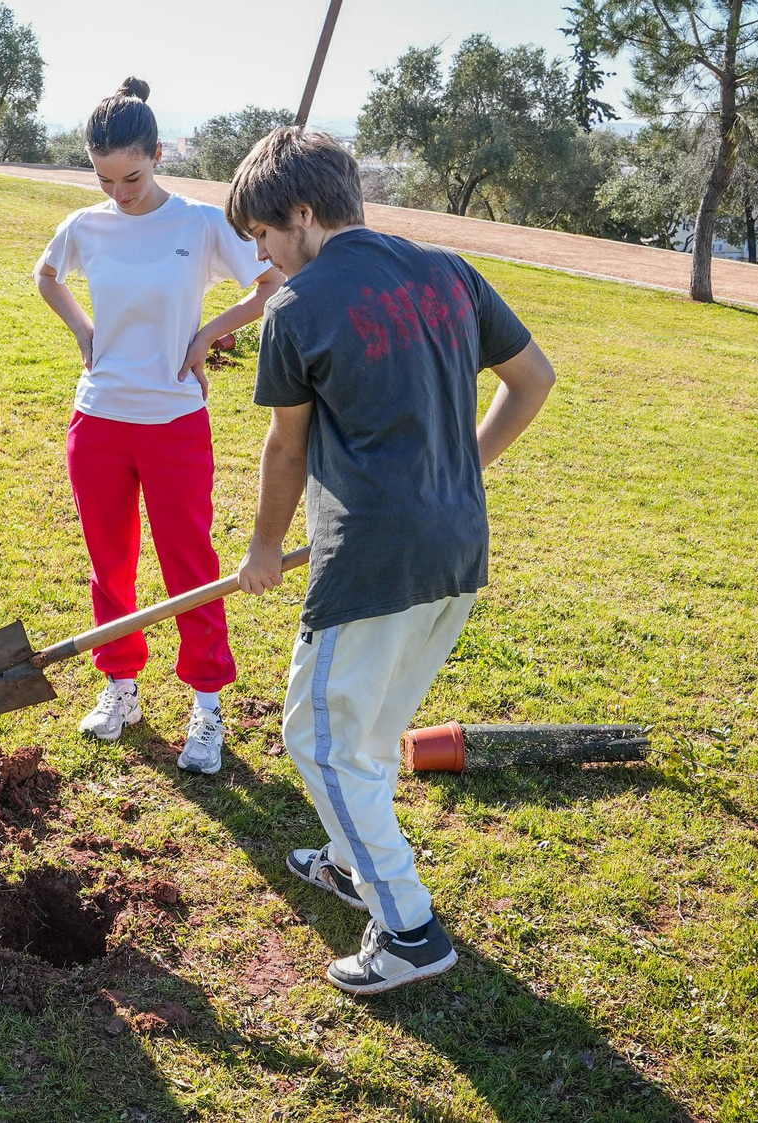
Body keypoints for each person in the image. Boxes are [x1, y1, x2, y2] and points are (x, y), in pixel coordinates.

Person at [229, 128, 556, 995]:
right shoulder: (450, 270)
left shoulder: (295, 309)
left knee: (320, 738)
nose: (262, 255)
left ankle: (408, 929)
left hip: (374, 558)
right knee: (366, 728)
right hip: (457, 544)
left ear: (302, 214)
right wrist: (459, 470)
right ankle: (346, 860)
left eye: (262, 235)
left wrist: (263, 547)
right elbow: (534, 380)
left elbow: (287, 451)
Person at [33, 78, 284, 775]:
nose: (121, 191)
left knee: (189, 564)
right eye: (106, 178)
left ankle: (206, 704)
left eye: (133, 176)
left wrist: (207, 336)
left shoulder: (201, 224)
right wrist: (85, 332)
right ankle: (121, 687)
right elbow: (46, 275)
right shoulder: (86, 226)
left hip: (174, 422)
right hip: (99, 419)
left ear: (157, 154)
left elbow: (268, 286)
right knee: (109, 563)